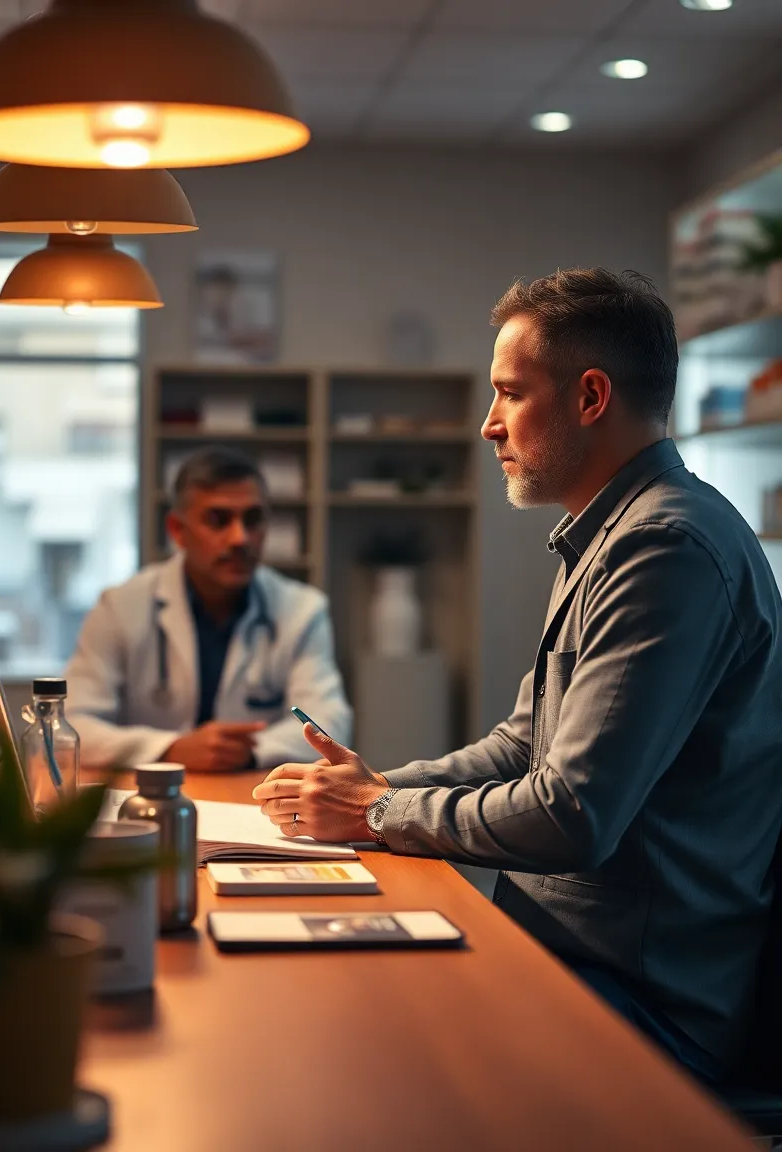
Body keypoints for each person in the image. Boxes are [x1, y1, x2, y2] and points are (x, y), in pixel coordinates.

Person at [253, 268, 782, 1083]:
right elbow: (524, 744)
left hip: (642, 1001)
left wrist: (384, 810)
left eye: (508, 393)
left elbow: (572, 815)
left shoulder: (664, 547)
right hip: (575, 959)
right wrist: (376, 789)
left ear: (591, 396)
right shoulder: (607, 532)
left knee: (346, 1049)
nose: (487, 426)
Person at [65, 447, 351, 771]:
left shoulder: (301, 610)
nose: (240, 538)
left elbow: (330, 724)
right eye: (218, 520)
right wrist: (169, 749)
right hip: (149, 795)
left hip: (251, 797)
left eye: (253, 519)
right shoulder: (119, 607)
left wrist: (247, 750)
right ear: (177, 530)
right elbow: (71, 726)